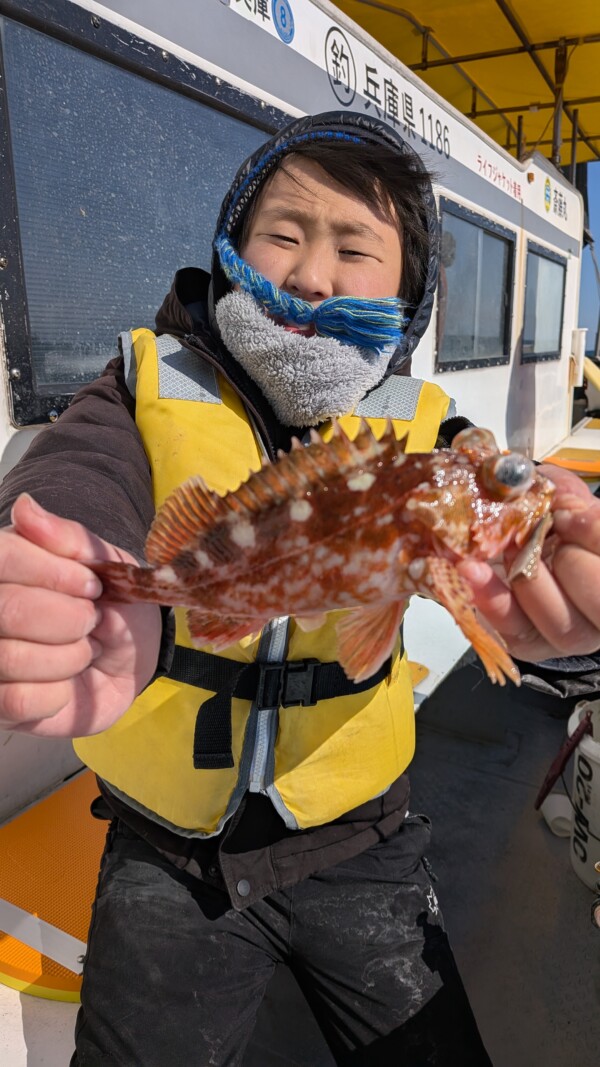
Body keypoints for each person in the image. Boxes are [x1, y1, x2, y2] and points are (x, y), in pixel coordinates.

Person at [1, 111, 600, 1067]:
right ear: (231, 249)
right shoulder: (139, 381)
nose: (314, 275)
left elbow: (485, 557)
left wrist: (571, 619)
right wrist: (67, 560)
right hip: (167, 854)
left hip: (365, 840)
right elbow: (81, 473)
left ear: (408, 295)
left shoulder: (432, 438)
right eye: (282, 234)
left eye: (355, 248)